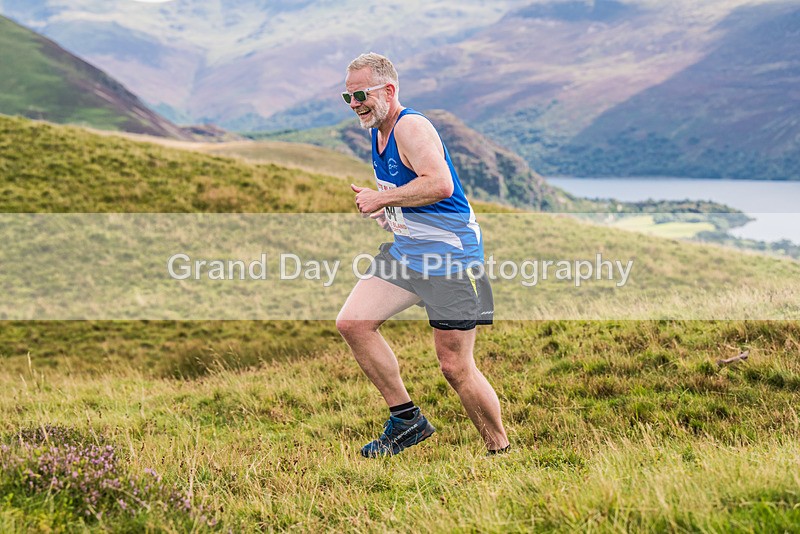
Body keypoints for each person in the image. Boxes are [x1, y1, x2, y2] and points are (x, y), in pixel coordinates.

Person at [335, 52, 510, 458]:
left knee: (455, 367)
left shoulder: (411, 127)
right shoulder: (376, 132)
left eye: (360, 94)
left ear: (388, 90)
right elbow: (414, 195)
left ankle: (499, 449)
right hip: (408, 253)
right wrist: (389, 212)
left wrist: (383, 197)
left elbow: (440, 184)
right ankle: (406, 421)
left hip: (450, 260)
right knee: (353, 324)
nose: (355, 104)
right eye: (348, 98)